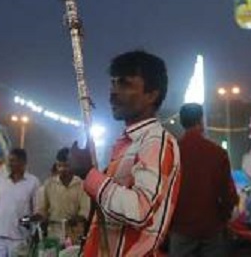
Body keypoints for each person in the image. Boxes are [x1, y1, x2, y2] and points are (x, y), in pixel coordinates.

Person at [68, 50, 181, 256]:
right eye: (113, 83)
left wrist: (89, 175)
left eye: (125, 84)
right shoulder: (128, 143)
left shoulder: (156, 141)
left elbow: (141, 211)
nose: (113, 91)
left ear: (152, 94)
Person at [168, 103, 238, 257]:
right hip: (211, 228)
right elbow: (228, 193)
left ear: (181, 122)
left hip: (181, 228)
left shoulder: (171, 153)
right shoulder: (217, 153)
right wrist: (224, 217)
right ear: (201, 121)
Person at [0, 148, 42, 257]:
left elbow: (37, 211)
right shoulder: (2, 180)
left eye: (13, 161)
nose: (9, 164)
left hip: (20, 239)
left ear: (23, 162)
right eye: (9, 160)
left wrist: (25, 221)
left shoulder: (33, 182)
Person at [37, 148, 91, 239]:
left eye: (66, 166)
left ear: (73, 165)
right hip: (54, 234)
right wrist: (40, 218)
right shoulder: (49, 184)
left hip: (74, 235)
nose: (62, 169)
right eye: (59, 166)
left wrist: (77, 219)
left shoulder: (82, 185)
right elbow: (42, 209)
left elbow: (85, 211)